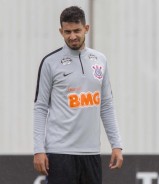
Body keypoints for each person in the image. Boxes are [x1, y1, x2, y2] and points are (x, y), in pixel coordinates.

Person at [33, 6, 123, 184]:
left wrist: (116, 144)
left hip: (91, 153)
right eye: (67, 32)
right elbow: (40, 107)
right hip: (60, 153)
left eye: (77, 30)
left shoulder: (100, 60)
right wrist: (38, 149)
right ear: (61, 31)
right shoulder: (50, 62)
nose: (72, 36)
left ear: (86, 29)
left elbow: (106, 105)